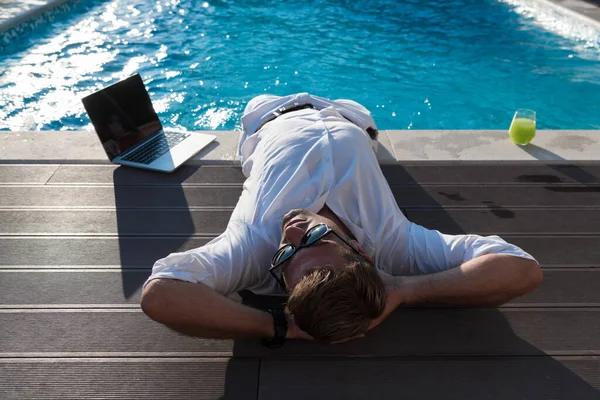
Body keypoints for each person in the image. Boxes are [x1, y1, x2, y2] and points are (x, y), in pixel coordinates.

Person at [140, 93, 542, 346]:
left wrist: (273, 326)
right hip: (354, 116)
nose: (292, 232)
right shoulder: (392, 243)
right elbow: (521, 269)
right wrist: (403, 290)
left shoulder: (250, 249)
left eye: (285, 256)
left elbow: (160, 294)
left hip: (268, 114)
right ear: (361, 255)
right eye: (316, 238)